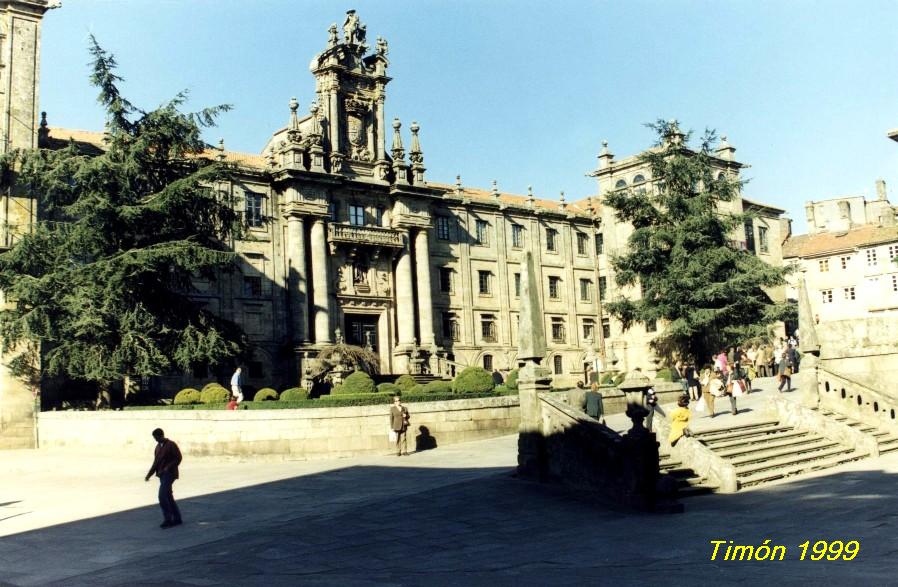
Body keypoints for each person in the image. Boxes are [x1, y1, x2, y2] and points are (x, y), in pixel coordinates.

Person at [145, 428, 183, 529]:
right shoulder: (157, 447)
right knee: (168, 496)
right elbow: (156, 463)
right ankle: (177, 518)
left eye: (156, 437)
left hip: (169, 474)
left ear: (160, 435)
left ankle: (168, 519)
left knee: (162, 496)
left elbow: (178, 458)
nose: (155, 439)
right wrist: (149, 474)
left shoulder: (171, 445)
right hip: (162, 475)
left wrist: (167, 467)